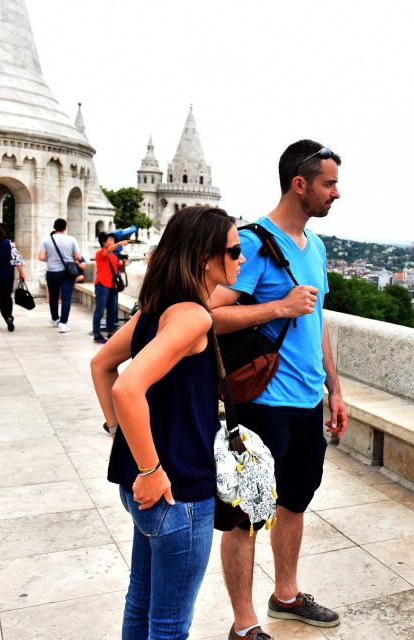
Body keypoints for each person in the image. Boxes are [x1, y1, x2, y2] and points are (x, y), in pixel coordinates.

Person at [208, 140, 347, 640]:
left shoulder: (318, 247)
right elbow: (210, 316)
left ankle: (285, 596)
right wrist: (277, 307)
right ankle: (244, 625)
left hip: (307, 403)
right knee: (245, 516)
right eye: (329, 183)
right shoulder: (250, 243)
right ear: (300, 184)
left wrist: (335, 389)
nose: (337, 193)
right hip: (259, 404)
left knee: (294, 501)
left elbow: (318, 323)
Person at [91, 206, 245, 640]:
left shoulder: (155, 308)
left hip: (145, 488)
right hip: (179, 491)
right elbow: (126, 388)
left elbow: (102, 364)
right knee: (170, 626)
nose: (242, 260)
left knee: (140, 604)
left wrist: (125, 437)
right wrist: (151, 468)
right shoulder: (193, 316)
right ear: (204, 257)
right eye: (234, 251)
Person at [38, 218, 82, 333]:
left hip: (52, 272)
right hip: (66, 273)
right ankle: (63, 323)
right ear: (65, 227)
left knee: (53, 297)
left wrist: (51, 258)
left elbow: (41, 257)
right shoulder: (71, 239)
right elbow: (78, 257)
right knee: (66, 297)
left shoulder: (47, 240)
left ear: (54, 227)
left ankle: (55, 319)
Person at [92, 232, 129, 344]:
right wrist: (119, 243)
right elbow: (107, 251)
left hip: (113, 286)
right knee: (100, 310)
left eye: (113, 240)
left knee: (112, 310)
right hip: (102, 284)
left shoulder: (113, 256)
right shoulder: (100, 253)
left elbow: (121, 270)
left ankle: (111, 331)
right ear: (104, 243)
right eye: (110, 240)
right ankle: (96, 333)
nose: (112, 242)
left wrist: (123, 263)